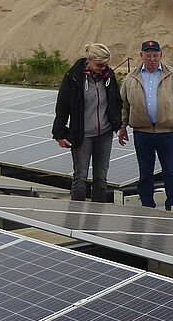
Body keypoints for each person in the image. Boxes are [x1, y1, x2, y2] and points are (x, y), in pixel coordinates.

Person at [118, 40, 173, 211]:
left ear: (161, 56)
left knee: (170, 171)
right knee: (145, 172)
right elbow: (124, 105)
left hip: (167, 132)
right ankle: (147, 206)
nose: (152, 59)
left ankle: (172, 206)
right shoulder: (131, 77)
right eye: (148, 55)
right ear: (141, 56)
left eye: (155, 55)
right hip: (142, 132)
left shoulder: (172, 75)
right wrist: (122, 126)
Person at [52, 42, 122, 202]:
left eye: (105, 65)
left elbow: (116, 101)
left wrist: (117, 122)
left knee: (101, 178)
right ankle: (76, 214)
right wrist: (59, 134)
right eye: (99, 65)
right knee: (80, 177)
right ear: (89, 60)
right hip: (82, 135)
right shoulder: (73, 78)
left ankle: (97, 213)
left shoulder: (109, 76)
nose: (102, 69)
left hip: (104, 133)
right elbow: (62, 107)